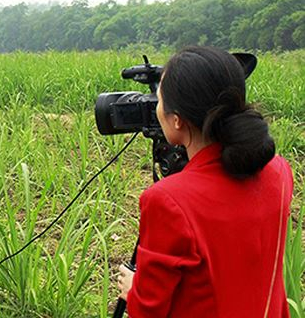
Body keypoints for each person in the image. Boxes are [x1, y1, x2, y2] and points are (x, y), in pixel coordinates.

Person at [116, 46, 293, 317]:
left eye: (159, 100)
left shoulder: (168, 201)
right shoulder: (279, 171)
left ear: (176, 121)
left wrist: (133, 290)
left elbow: (150, 310)